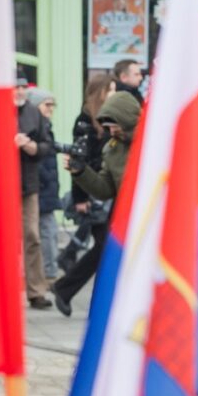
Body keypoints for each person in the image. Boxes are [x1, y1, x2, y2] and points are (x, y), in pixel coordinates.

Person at [54, 90, 142, 317]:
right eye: (107, 126)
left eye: (115, 125)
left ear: (128, 119)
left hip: (151, 224)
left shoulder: (154, 144)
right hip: (124, 223)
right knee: (108, 279)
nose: (111, 131)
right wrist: (81, 172)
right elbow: (105, 189)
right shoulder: (112, 149)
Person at [58, 74, 114, 275]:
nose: (113, 94)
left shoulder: (108, 119)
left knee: (102, 242)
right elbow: (78, 160)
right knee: (102, 244)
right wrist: (79, 197)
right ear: (100, 93)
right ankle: (67, 274)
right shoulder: (84, 121)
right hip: (92, 186)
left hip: (103, 186)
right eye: (110, 90)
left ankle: (68, 263)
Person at [14, 73, 53, 309]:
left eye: (21, 87)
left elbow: (47, 145)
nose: (19, 92)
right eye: (14, 87)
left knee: (33, 236)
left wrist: (31, 146)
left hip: (28, 184)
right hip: (1, 186)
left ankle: (36, 291)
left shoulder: (33, 113)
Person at [28, 87, 61, 284]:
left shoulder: (45, 126)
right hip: (40, 186)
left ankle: (47, 271)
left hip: (45, 187)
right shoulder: (36, 127)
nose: (50, 109)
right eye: (47, 104)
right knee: (46, 231)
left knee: (46, 230)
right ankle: (49, 272)